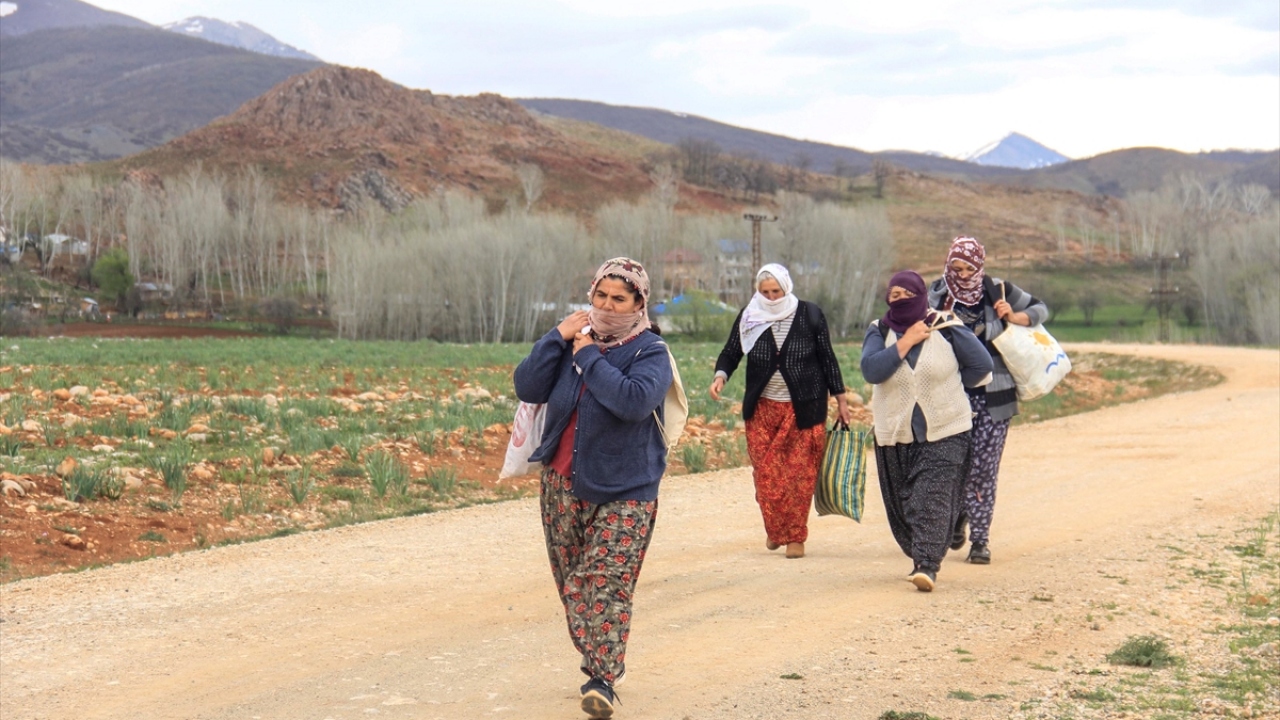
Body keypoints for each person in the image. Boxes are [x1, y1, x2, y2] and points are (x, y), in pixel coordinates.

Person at [514, 257, 673, 719]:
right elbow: (528, 384)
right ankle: (601, 654)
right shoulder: (570, 341)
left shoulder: (651, 353)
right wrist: (558, 338)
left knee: (604, 581)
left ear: (639, 302)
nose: (607, 305)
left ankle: (602, 676)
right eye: (600, 296)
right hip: (563, 482)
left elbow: (632, 402)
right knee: (572, 584)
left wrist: (587, 356)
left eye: (619, 298)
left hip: (628, 488)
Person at [861, 270, 993, 592]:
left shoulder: (946, 327)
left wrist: (952, 389)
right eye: (895, 296)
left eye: (909, 295)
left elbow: (982, 367)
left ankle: (927, 565)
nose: (902, 301)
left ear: (922, 296)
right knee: (905, 505)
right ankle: (938, 532)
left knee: (929, 496)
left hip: (948, 429)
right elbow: (872, 370)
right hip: (895, 434)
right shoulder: (879, 331)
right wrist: (906, 341)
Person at [710, 263, 851, 560]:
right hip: (762, 407)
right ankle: (776, 529)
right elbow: (732, 350)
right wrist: (721, 375)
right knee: (767, 475)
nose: (771, 297)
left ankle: (795, 536)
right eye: (765, 292)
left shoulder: (809, 314)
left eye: (776, 291)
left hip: (806, 406)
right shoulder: (750, 316)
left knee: (798, 475)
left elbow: (827, 358)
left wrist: (841, 399)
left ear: (786, 288)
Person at [928, 237, 1049, 565]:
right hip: (950, 396)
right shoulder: (937, 294)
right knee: (953, 465)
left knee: (983, 468)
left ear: (979, 266)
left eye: (970, 268)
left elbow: (1041, 309)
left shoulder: (997, 290)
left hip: (995, 397)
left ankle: (980, 539)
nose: (963, 275)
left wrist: (1015, 316)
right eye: (957, 268)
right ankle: (958, 517)